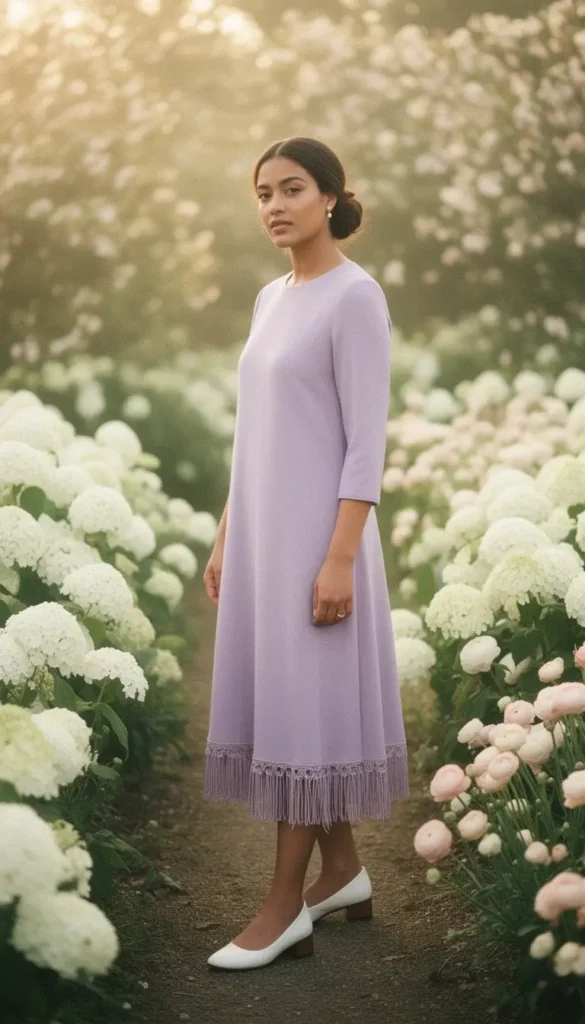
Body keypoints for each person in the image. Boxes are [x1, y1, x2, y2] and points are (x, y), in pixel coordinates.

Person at [203, 137, 409, 970]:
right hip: (261, 536)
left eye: (292, 189)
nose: (274, 205)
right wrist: (226, 533)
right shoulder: (267, 297)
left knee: (303, 712)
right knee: (293, 703)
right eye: (262, 193)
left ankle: (283, 907)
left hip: (322, 541)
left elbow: (365, 443)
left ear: (331, 198)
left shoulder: (355, 298)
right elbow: (254, 432)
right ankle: (345, 871)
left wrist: (339, 558)